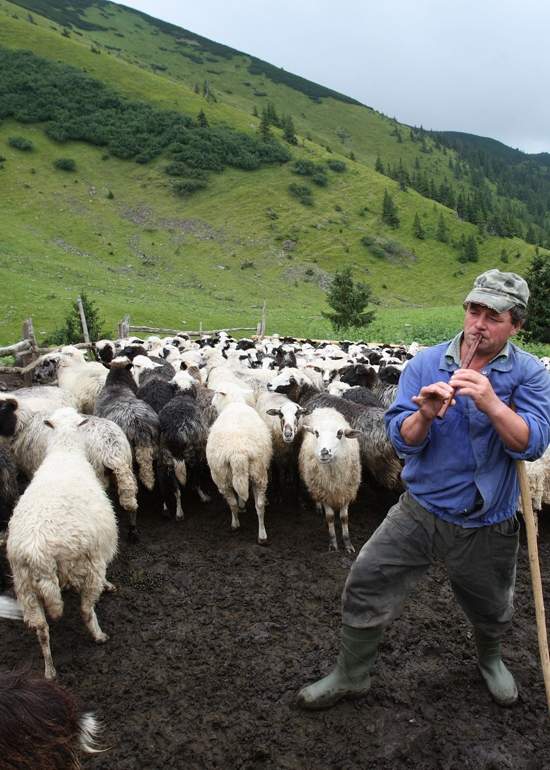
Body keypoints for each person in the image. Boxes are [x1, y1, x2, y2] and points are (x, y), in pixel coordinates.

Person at [296, 268, 550, 710]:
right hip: (421, 507)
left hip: (487, 518)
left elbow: (533, 444)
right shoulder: (425, 364)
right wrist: (425, 416)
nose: (479, 323)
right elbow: (399, 441)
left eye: (494, 315)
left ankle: (490, 660)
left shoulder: (530, 374)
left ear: (517, 324)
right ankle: (351, 675)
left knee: (492, 608)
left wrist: (490, 401)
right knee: (366, 581)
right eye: (474, 310)